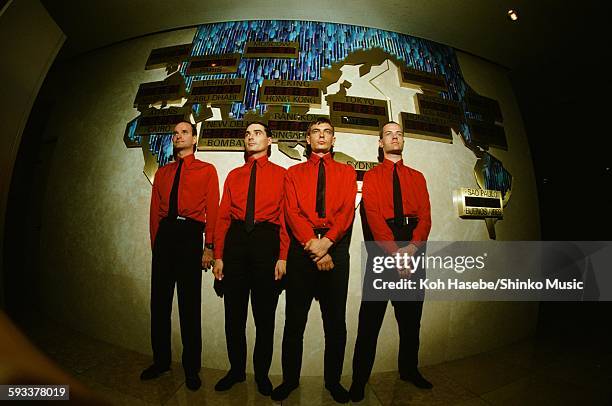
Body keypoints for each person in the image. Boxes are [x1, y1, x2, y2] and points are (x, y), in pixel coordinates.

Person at [271, 117, 357, 403]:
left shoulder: (347, 172)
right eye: (316, 132)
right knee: (294, 321)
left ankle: (333, 382)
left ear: (334, 140)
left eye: (327, 132)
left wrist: (327, 243)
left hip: (336, 248)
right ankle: (290, 381)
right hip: (301, 249)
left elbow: (347, 213)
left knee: (336, 323)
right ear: (307, 140)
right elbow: (291, 213)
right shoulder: (292, 173)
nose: (322, 136)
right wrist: (314, 245)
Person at [349, 121, 432, 402]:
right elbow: (371, 216)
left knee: (411, 321)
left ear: (403, 141)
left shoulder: (418, 176)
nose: (394, 138)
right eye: (389, 134)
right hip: (382, 248)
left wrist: (412, 247)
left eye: (399, 134)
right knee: (369, 322)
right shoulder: (371, 177)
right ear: (380, 143)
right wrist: (395, 252)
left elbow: (426, 216)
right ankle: (359, 380)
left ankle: (409, 370)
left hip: (413, 244)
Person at [141, 121, 219, 391]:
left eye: (184, 132)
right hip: (165, 236)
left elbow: (213, 209)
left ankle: (191, 368)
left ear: (195, 139)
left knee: (189, 306)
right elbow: (154, 213)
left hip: (190, 235)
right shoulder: (163, 172)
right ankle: (161, 361)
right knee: (159, 304)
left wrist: (209, 246)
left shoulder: (207, 170)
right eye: (175, 133)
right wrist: (156, 245)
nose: (178, 136)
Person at [212, 122, 288, 396]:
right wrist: (218, 255)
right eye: (247, 134)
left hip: (267, 242)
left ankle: (262, 375)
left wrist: (283, 256)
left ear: (269, 140)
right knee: (234, 315)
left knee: (264, 317)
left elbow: (285, 219)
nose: (251, 137)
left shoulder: (282, 174)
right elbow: (222, 217)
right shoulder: (233, 175)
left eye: (257, 133)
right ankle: (236, 371)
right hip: (235, 243)